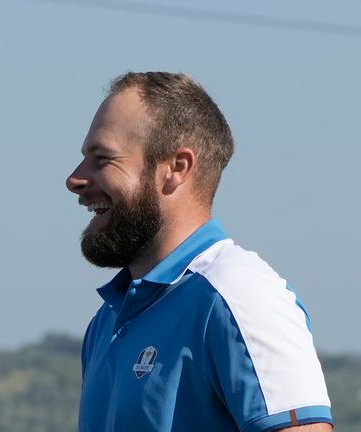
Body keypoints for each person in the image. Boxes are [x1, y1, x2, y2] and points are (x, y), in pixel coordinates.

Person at [67, 72, 332, 431]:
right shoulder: (107, 321)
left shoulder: (239, 295)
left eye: (102, 159)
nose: (75, 179)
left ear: (176, 168)